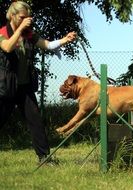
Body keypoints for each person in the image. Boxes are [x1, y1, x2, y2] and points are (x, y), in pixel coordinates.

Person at [0, 1, 76, 165]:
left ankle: (44, 158)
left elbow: (47, 45)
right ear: (12, 16)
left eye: (28, 17)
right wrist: (19, 30)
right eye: (22, 17)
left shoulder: (29, 34)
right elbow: (7, 47)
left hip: (25, 87)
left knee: (35, 120)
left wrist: (65, 39)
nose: (27, 20)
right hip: (6, 87)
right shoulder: (2, 32)